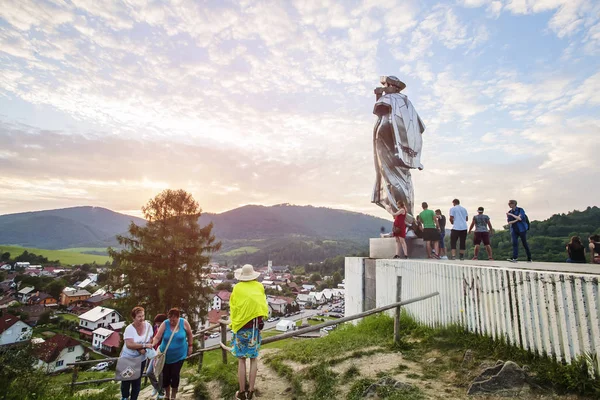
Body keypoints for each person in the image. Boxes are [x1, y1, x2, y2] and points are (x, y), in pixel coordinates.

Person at [229, 264, 269, 400]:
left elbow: (233, 307)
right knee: (253, 359)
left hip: (241, 328)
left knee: (241, 360)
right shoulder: (259, 286)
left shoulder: (237, 288)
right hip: (255, 329)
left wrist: (235, 321)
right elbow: (262, 305)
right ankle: (251, 391)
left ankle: (241, 392)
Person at [152, 308, 194, 400]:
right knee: (166, 376)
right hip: (165, 356)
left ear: (178, 317)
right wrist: (152, 344)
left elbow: (190, 334)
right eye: (170, 319)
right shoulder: (165, 324)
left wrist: (190, 346)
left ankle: (174, 395)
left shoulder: (184, 323)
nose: (172, 321)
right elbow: (157, 337)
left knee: (175, 374)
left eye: (174, 319)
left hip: (179, 355)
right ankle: (167, 394)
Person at [121, 306, 154, 400]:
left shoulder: (148, 326)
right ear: (133, 318)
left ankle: (134, 398)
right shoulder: (129, 329)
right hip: (128, 357)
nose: (142, 318)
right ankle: (124, 397)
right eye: (139, 316)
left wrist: (146, 346)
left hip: (141, 359)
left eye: (143, 315)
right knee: (126, 380)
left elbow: (150, 339)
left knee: (136, 381)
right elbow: (129, 345)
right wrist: (142, 347)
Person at [147, 313, 167, 399]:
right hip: (154, 352)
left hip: (162, 353)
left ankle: (161, 392)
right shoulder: (155, 327)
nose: (157, 325)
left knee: (160, 373)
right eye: (156, 323)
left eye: (159, 323)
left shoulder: (166, 330)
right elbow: (154, 338)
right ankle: (157, 387)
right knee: (149, 372)